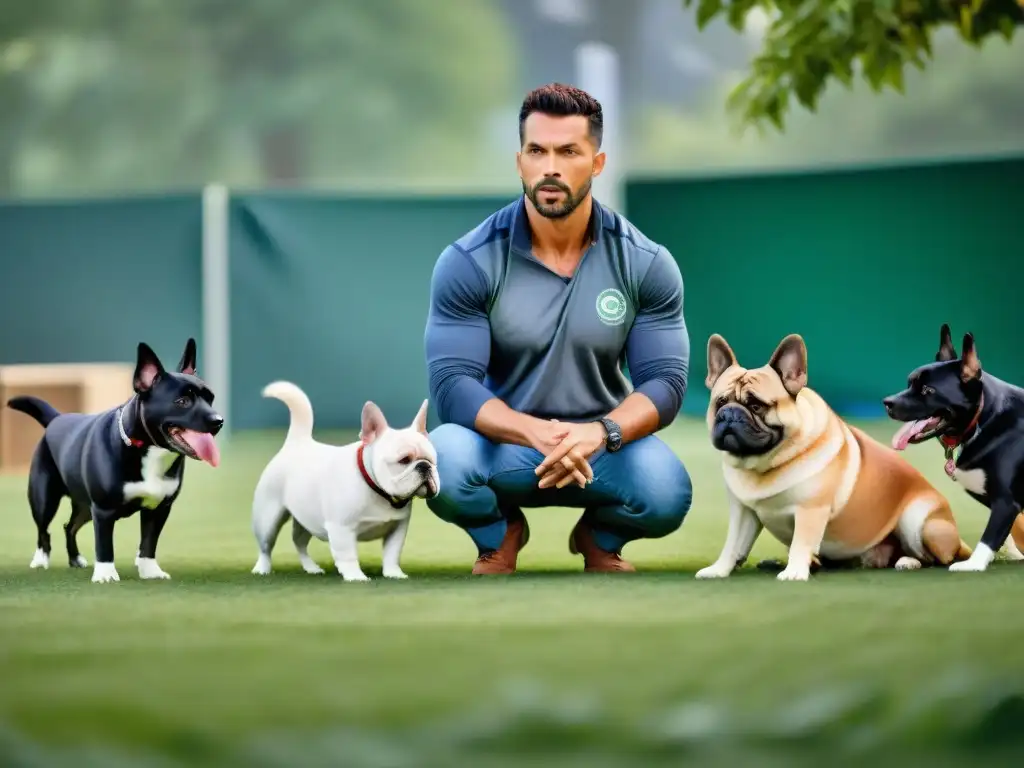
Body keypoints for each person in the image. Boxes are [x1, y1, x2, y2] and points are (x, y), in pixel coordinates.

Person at [423, 83, 692, 575]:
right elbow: (451, 387)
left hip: (601, 446)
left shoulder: (646, 262)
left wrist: (599, 432)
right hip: (502, 445)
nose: (550, 167)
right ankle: (499, 532)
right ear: (519, 161)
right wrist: (536, 434)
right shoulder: (468, 261)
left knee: (666, 493)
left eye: (569, 151)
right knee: (441, 462)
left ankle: (598, 537)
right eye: (536, 151)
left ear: (597, 162)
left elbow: (666, 385)